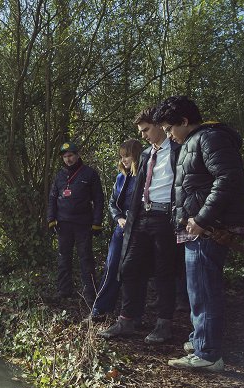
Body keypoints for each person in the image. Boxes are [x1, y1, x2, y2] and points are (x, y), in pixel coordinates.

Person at [154, 96, 244, 371]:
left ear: (184, 121)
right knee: (197, 289)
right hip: (200, 228)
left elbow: (227, 179)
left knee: (204, 290)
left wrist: (201, 218)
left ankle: (208, 354)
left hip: (209, 228)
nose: (169, 136)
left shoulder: (209, 138)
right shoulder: (193, 142)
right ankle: (201, 340)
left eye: (170, 129)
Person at [99, 107, 181, 344]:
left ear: (158, 125)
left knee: (165, 272)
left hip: (166, 218)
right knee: (129, 267)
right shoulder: (145, 154)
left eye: (146, 130)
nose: (143, 135)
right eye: (141, 131)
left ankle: (164, 324)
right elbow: (137, 192)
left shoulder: (178, 150)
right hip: (142, 218)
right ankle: (127, 321)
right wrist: (131, 218)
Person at [88, 139, 144, 321]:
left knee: (133, 271)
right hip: (120, 230)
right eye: (122, 157)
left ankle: (132, 316)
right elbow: (113, 203)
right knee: (111, 267)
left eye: (127, 156)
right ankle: (100, 310)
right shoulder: (120, 177)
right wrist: (118, 218)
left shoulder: (145, 175)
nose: (124, 160)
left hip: (140, 230)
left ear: (135, 155)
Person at [47, 142, 105, 304]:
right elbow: (52, 198)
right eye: (65, 157)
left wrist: (97, 222)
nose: (68, 159)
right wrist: (51, 219)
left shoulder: (89, 174)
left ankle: (90, 292)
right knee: (63, 258)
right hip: (63, 224)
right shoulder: (59, 176)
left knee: (85, 258)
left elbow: (99, 199)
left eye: (71, 155)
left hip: (83, 224)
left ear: (77, 155)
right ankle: (64, 290)